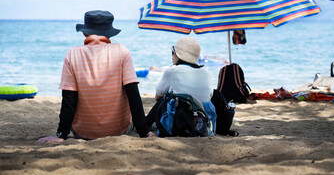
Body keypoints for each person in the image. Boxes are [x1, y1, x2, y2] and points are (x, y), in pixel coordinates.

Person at [36, 10, 154, 144]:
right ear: (110, 33)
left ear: (85, 32)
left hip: (83, 133)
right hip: (119, 130)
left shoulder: (72, 54)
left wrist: (61, 134)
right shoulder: (122, 51)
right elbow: (132, 93)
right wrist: (144, 132)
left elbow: (69, 98)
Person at [146, 37, 217, 134]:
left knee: (164, 99)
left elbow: (158, 95)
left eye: (173, 52)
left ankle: (146, 124)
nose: (172, 55)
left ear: (179, 55)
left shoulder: (173, 71)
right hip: (201, 125)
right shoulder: (206, 73)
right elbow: (209, 96)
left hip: (177, 123)